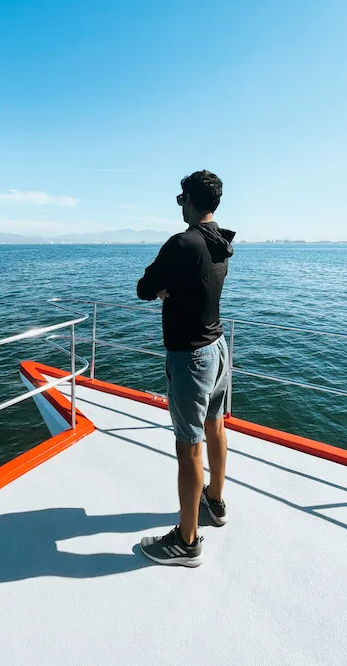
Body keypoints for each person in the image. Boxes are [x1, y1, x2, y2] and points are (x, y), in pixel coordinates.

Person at [136, 170, 235, 567]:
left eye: (181, 199)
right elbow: (196, 284)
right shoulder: (220, 241)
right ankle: (215, 502)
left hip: (191, 357)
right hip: (218, 348)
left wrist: (162, 288)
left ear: (191, 200)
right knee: (215, 427)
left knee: (188, 445)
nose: (181, 206)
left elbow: (144, 287)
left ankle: (187, 541)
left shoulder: (182, 242)